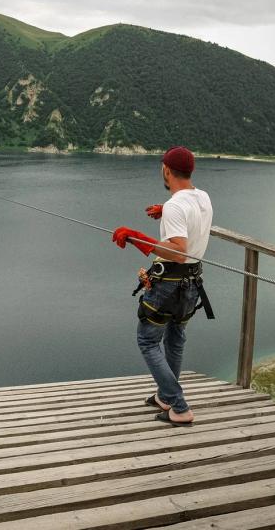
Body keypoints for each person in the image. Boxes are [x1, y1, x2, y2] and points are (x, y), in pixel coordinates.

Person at [112, 146, 213, 427]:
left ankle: (178, 405)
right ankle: (165, 398)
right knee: (175, 337)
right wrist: (165, 211)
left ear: (166, 170)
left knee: (147, 340)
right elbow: (190, 223)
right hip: (192, 283)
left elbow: (179, 251)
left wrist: (138, 237)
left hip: (169, 283)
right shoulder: (202, 197)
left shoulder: (176, 206)